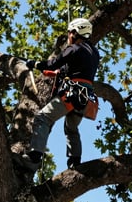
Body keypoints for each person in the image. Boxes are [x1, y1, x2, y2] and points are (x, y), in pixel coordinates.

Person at [14, 18, 100, 175]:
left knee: (42, 118)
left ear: (75, 32)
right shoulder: (94, 52)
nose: (68, 36)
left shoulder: (74, 47)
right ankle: (75, 161)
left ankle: (34, 157)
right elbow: (77, 69)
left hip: (73, 93)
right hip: (85, 97)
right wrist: (57, 73)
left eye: (69, 32)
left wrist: (36, 64)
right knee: (71, 128)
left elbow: (54, 63)